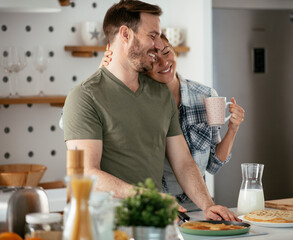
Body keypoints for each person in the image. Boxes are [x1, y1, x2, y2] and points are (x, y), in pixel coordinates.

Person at [62, 0, 239, 221]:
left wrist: (207, 205)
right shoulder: (85, 96)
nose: (157, 45)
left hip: (155, 220)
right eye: (152, 35)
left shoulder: (160, 94)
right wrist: (148, 197)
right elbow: (85, 173)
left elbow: (183, 162)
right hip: (106, 223)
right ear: (125, 34)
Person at [100, 34, 245, 211]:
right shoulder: (135, 99)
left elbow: (213, 165)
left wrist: (233, 129)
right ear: (144, 65)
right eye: (153, 58)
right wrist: (104, 76)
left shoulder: (204, 96)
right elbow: (74, 121)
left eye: (167, 52)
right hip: (154, 205)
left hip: (197, 205)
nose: (163, 62)